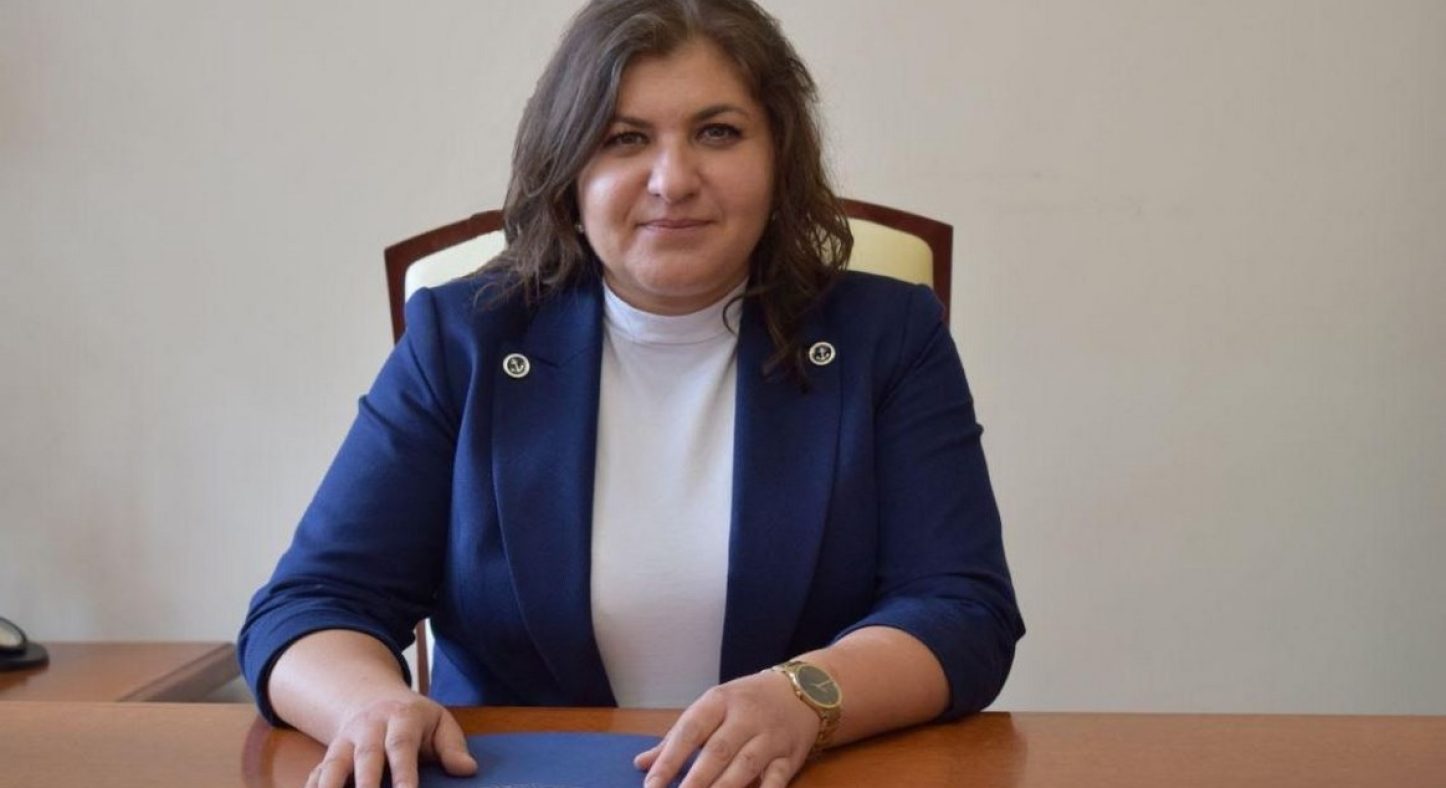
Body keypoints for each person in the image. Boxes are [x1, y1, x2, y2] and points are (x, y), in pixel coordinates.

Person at [239, 1, 1025, 786]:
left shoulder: (887, 337)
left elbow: (961, 608)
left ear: (779, 156)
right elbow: (312, 603)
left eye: (718, 132)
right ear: (570, 171)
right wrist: (369, 705)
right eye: (625, 139)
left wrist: (807, 695)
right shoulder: (465, 340)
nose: (673, 180)